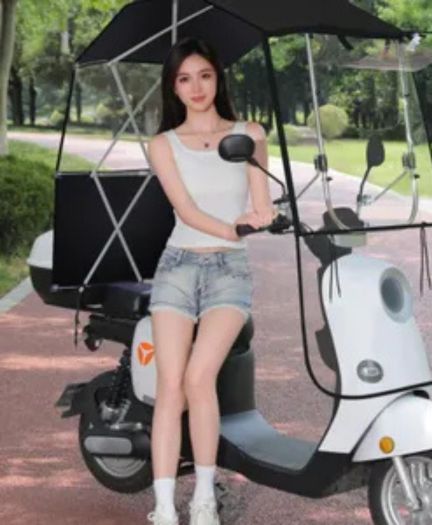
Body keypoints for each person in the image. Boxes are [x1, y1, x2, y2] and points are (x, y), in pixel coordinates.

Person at [146, 37, 275, 525]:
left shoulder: (250, 134)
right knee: (170, 384)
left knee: (200, 378)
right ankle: (163, 507)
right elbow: (185, 210)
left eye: (204, 75)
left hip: (229, 271)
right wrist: (232, 228)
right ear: (173, 87)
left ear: (218, 78)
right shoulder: (163, 144)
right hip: (178, 265)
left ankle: (203, 498)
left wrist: (262, 218)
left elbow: (261, 203)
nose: (196, 87)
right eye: (184, 79)